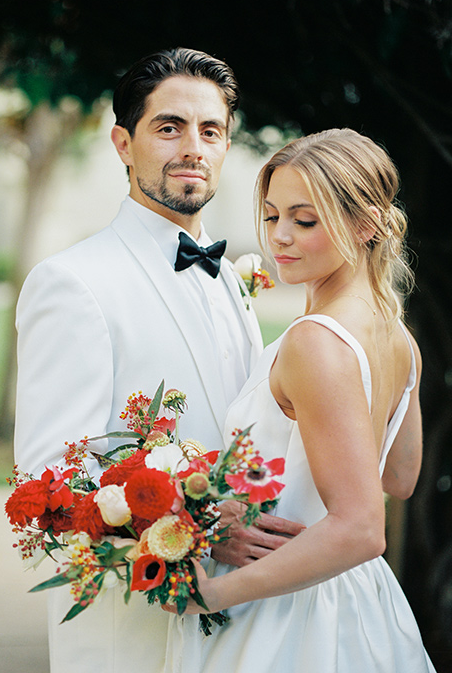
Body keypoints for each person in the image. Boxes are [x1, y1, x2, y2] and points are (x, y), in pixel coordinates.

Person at [13, 47, 302, 673]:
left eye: (211, 130)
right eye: (168, 127)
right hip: (131, 638)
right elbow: (48, 486)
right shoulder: (72, 282)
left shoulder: (230, 278)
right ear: (123, 143)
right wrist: (196, 526)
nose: (192, 147)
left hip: (238, 626)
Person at [164, 128, 436, 672]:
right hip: (360, 603)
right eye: (271, 216)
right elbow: (399, 477)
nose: (279, 237)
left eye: (304, 220)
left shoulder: (317, 340)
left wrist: (211, 595)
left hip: (287, 611)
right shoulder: (397, 336)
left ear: (367, 226)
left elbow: (360, 527)